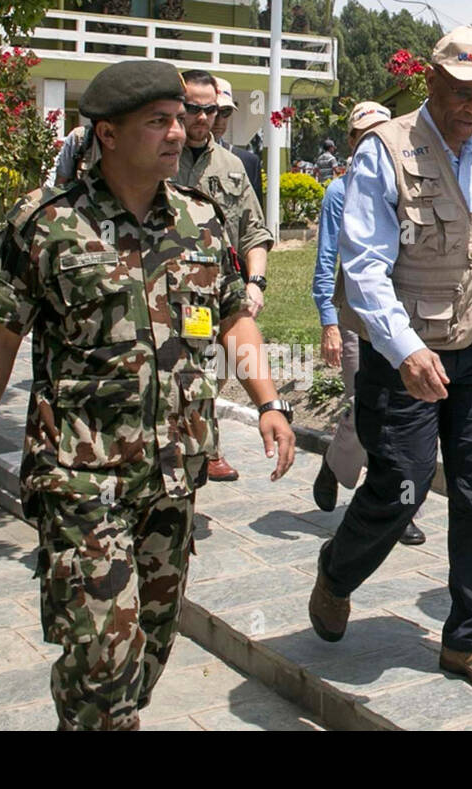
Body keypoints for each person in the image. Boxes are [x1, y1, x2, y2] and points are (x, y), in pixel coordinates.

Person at [0, 60, 296, 730]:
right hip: (81, 481)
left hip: (172, 481)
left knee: (150, 645)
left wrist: (269, 402)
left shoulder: (200, 221)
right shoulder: (46, 225)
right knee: (103, 653)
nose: (179, 132)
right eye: (158, 121)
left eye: (182, 118)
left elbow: (233, 316)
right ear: (107, 134)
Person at [308, 26, 472, 694]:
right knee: (399, 489)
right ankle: (337, 572)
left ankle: (470, 640)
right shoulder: (386, 150)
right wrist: (404, 350)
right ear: (429, 81)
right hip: (404, 356)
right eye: (461, 90)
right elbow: (365, 268)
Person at [310, 100, 425, 547]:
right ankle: (340, 466)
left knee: (407, 415)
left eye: (383, 130)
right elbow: (327, 260)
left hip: (411, 319)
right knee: (366, 406)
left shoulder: (412, 182)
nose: (374, 141)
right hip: (358, 320)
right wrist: (328, 322)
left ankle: (400, 506)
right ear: (353, 142)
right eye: (364, 134)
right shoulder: (339, 192)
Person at [173, 68, 274, 482]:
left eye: (208, 109)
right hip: (163, 292)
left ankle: (207, 447)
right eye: (192, 109)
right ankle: (175, 447)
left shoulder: (233, 165)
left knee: (211, 371)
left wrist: (256, 281)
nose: (200, 118)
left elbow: (254, 230)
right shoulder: (159, 157)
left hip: (218, 294)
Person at [211, 77, 262, 199]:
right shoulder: (173, 159)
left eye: (226, 112)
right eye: (213, 111)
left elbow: (254, 215)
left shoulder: (247, 163)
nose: (219, 120)